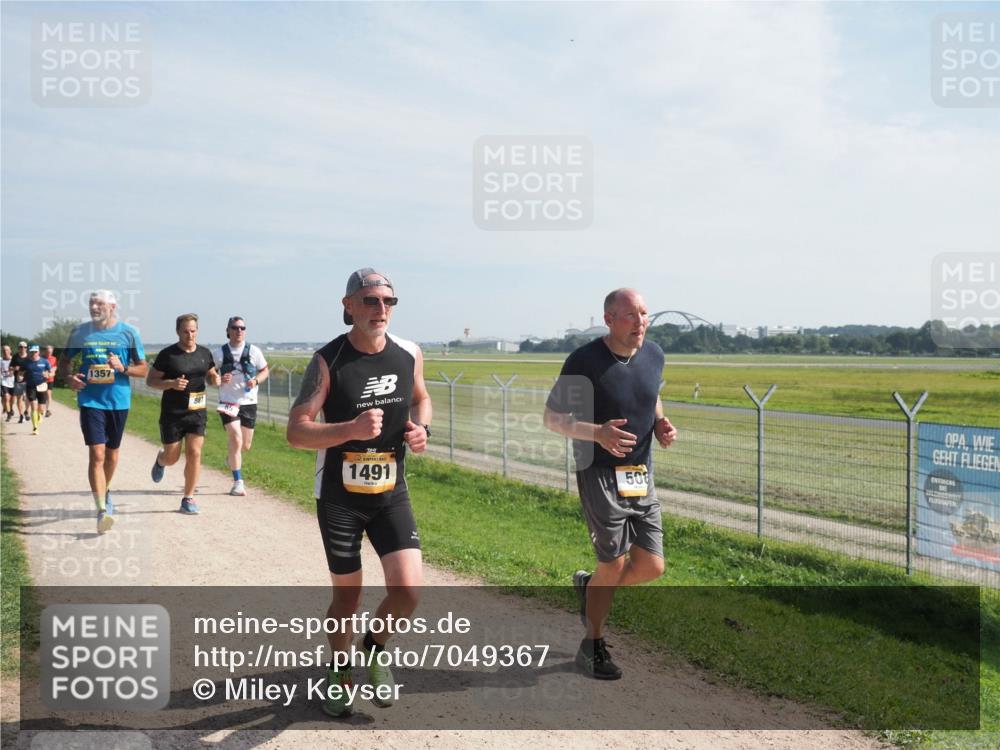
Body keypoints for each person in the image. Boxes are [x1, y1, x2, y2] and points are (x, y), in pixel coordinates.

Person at [287, 268, 431, 718]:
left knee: (408, 590)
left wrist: (422, 429)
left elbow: (421, 398)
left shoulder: (409, 353)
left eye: (388, 301)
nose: (380, 309)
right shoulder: (328, 360)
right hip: (340, 498)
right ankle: (339, 669)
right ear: (348, 305)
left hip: (390, 491)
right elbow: (296, 431)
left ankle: (374, 647)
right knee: (347, 599)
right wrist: (350, 428)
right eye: (370, 300)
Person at [543, 288, 678, 681]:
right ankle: (592, 645)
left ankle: (591, 588)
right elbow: (553, 418)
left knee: (652, 566)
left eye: (644, 314)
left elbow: (651, 396)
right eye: (631, 315)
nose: (640, 322)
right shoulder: (584, 361)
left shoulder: (654, 354)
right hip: (599, 472)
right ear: (609, 319)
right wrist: (597, 433)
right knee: (614, 562)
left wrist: (660, 423)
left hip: (640, 473)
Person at [60, 290, 148, 534]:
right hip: (90, 400)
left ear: (113, 306)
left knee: (111, 455)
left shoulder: (129, 333)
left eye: (99, 303)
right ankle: (101, 510)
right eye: (91, 303)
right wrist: (69, 378)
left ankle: (105, 490)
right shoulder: (80, 332)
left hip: (118, 401)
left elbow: (143, 369)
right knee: (97, 454)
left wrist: (122, 367)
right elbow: (64, 361)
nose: (94, 307)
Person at [147, 313, 220, 515]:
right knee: (172, 457)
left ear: (197, 331)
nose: (190, 335)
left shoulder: (204, 353)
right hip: (173, 413)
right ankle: (161, 460)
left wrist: (215, 380)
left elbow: (211, 375)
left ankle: (188, 498)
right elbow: (151, 381)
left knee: (195, 452)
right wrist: (171, 383)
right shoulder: (167, 355)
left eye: (193, 331)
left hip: (197, 411)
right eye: (186, 331)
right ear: (178, 332)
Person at [213, 316, 269, 496]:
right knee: (236, 439)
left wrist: (256, 380)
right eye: (235, 328)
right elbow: (210, 374)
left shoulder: (254, 351)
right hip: (228, 402)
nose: (239, 331)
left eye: (242, 328)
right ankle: (238, 483)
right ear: (228, 330)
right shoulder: (219, 353)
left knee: (245, 445)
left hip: (249, 402)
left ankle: (231, 457)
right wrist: (219, 379)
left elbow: (265, 370)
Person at [22, 345, 53, 436]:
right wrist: (20, 377)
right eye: (32, 352)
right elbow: (21, 372)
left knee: (41, 409)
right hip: (30, 386)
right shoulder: (26, 362)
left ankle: (40, 415)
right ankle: (35, 427)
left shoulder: (44, 361)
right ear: (29, 352)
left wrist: (48, 375)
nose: (33, 353)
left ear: (38, 352)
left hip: (42, 386)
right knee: (33, 406)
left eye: (35, 352)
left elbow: (51, 372)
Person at [10, 342, 29, 423]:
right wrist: (14, 368)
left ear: (26, 348)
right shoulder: (15, 356)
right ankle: (21, 415)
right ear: (18, 348)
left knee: (28, 397)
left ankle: (27, 411)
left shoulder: (29, 357)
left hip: (29, 379)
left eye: (24, 347)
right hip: (18, 380)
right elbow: (10, 367)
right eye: (21, 347)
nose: (22, 348)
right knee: (19, 398)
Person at [1, 345, 15, 422]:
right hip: (4, 382)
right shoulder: (0, 360)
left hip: (13, 382)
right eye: (3, 350)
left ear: (10, 351)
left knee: (12, 399)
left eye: (7, 350)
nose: (5, 351)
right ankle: (9, 414)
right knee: (6, 397)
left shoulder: (14, 360)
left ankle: (11, 408)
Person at [44, 345, 57, 417]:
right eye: (48, 352)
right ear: (45, 351)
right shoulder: (42, 358)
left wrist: (50, 372)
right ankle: (39, 408)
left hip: (50, 379)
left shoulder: (54, 358)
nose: (49, 353)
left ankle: (48, 410)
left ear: (52, 352)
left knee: (48, 394)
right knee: (42, 395)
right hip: (42, 380)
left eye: (50, 352)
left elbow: (55, 368)